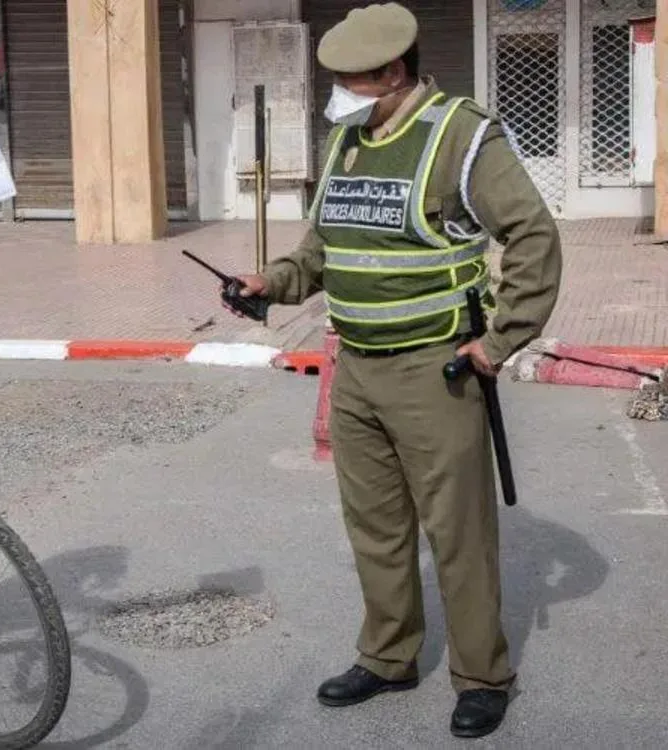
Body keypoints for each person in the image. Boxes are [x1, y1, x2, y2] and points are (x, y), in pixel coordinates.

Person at [229, 3, 561, 740]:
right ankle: (387, 657)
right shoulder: (349, 139)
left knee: (458, 534)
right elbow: (323, 249)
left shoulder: (460, 135)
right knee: (375, 528)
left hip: (434, 371)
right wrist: (270, 282)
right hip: (355, 369)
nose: (337, 95)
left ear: (392, 72)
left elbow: (533, 235)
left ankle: (482, 676)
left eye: (350, 81)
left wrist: (500, 341)